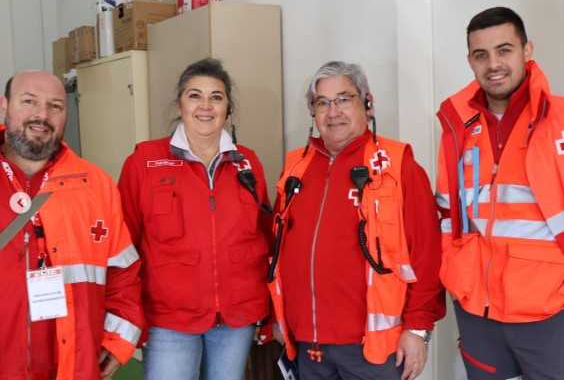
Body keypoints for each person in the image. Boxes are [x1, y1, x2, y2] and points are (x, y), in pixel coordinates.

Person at [268, 61, 445, 380]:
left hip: (374, 350)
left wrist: (418, 329)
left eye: (343, 99)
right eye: (322, 103)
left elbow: (427, 253)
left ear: (367, 103)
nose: (333, 112)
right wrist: (278, 319)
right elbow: (277, 251)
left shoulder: (397, 165)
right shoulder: (295, 167)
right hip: (307, 345)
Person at [118, 58, 272, 380]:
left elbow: (266, 238)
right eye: (194, 96)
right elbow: (124, 245)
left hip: (235, 317)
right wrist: (128, 313)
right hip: (169, 319)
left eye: (216, 97)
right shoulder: (144, 162)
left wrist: (268, 311)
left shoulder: (247, 163)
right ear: (180, 105)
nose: (205, 106)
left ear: (227, 108)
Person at [435, 6, 564, 380]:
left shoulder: (558, 120)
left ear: (527, 50)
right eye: (481, 54)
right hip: (478, 312)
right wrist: (456, 276)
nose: (493, 64)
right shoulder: (458, 127)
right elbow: (447, 214)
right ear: (470, 61)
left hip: (549, 313)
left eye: (504, 50)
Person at [0, 70, 143, 380]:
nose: (42, 115)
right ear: (4, 106)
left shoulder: (96, 185)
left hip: (72, 367)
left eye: (55, 106)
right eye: (28, 101)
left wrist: (117, 341)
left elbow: (123, 273)